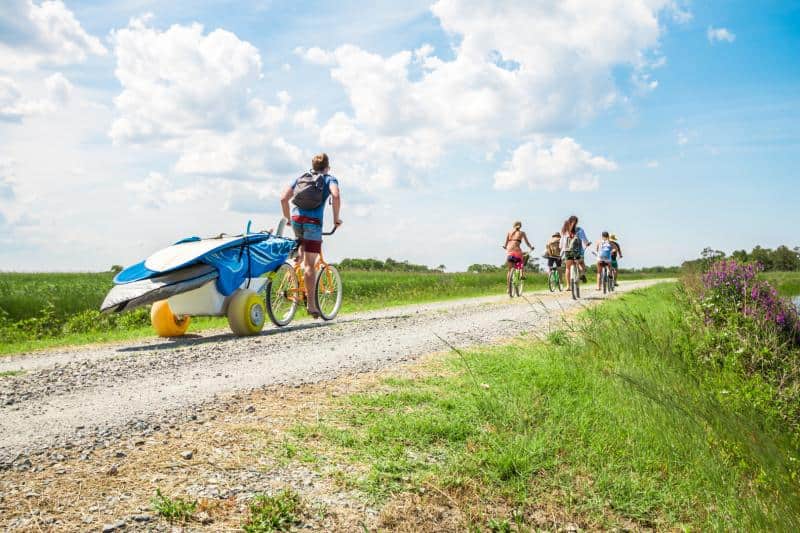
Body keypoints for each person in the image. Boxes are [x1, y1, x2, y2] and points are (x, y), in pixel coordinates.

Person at [280, 153, 342, 318]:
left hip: (296, 219)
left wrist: (287, 219)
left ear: (313, 166)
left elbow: (283, 198)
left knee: (301, 253)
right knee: (310, 265)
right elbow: (335, 196)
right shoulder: (329, 179)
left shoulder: (301, 177)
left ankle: (291, 273)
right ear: (327, 167)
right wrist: (336, 220)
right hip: (313, 223)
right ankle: (312, 305)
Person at [559, 215, 590, 285]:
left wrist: (561, 249)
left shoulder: (565, 230)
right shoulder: (580, 230)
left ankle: (568, 286)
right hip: (578, 251)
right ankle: (582, 274)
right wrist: (587, 244)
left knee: (568, 268)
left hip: (567, 251)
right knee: (581, 263)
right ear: (577, 222)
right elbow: (584, 240)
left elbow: (561, 242)